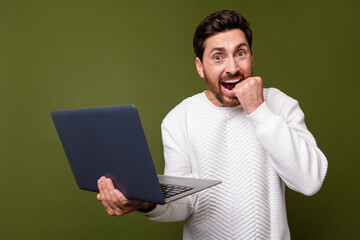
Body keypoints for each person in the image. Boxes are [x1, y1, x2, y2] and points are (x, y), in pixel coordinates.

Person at [96, 10, 328, 239]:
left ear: (252, 57)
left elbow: (310, 181)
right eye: (218, 57)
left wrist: (258, 109)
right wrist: (146, 202)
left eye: (240, 53)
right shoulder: (179, 119)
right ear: (200, 67)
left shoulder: (280, 105)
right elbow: (183, 203)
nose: (232, 68)